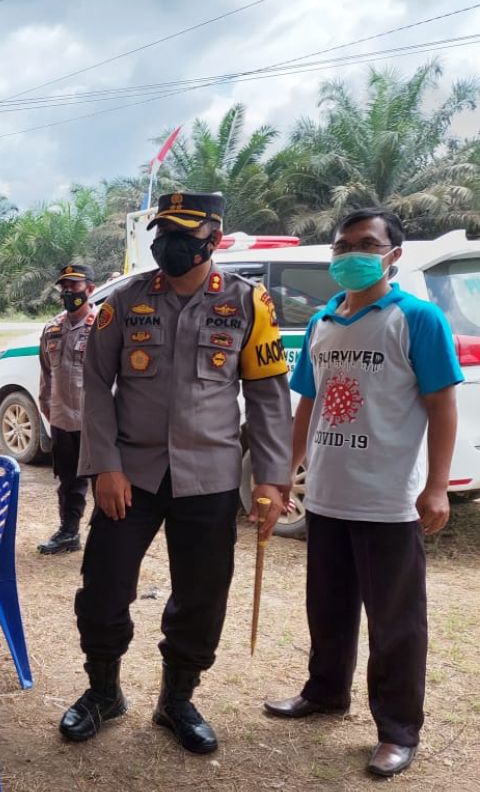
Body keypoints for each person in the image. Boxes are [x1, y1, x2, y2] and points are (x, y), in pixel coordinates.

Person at [62, 192, 293, 754]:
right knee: (104, 587)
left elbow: (267, 395)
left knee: (202, 594)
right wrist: (105, 466)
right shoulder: (126, 301)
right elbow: (95, 384)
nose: (170, 242)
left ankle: (178, 698)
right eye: (163, 231)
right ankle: (104, 692)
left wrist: (270, 478)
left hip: (210, 477)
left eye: (185, 233)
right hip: (132, 476)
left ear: (213, 237)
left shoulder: (248, 303)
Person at [263, 208, 462, 778]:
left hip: (388, 501)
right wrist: (284, 477)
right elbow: (307, 407)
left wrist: (437, 487)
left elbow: (442, 405)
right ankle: (325, 692)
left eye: (366, 243)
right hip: (326, 496)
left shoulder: (416, 318)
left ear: (393, 255)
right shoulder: (324, 322)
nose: (351, 252)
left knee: (396, 624)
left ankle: (398, 730)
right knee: (327, 610)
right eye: (343, 244)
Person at [37, 264, 97, 555]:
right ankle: (69, 533)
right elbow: (46, 373)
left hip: (95, 421)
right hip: (62, 418)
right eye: (65, 287)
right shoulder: (52, 328)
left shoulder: (102, 325)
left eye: (75, 286)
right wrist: (46, 406)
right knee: (69, 482)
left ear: (90, 289)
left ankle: (105, 537)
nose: (69, 292)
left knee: (104, 481)